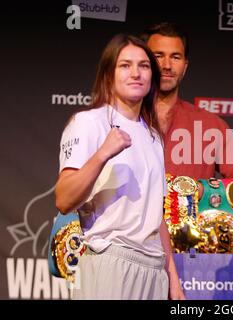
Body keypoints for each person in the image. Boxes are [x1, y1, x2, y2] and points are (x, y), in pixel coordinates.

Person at [55, 33, 185, 300]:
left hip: (154, 269)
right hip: (110, 260)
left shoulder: (153, 137)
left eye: (144, 65)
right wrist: (102, 153)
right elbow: (64, 199)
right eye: (125, 65)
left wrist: (173, 281)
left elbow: (156, 218)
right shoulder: (89, 122)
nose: (136, 73)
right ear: (108, 74)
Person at [139, 22, 233, 205]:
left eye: (175, 57)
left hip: (189, 231)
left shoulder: (210, 125)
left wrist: (204, 190)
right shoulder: (118, 120)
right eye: (158, 56)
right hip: (129, 232)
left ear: (185, 66)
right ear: (144, 62)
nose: (167, 65)